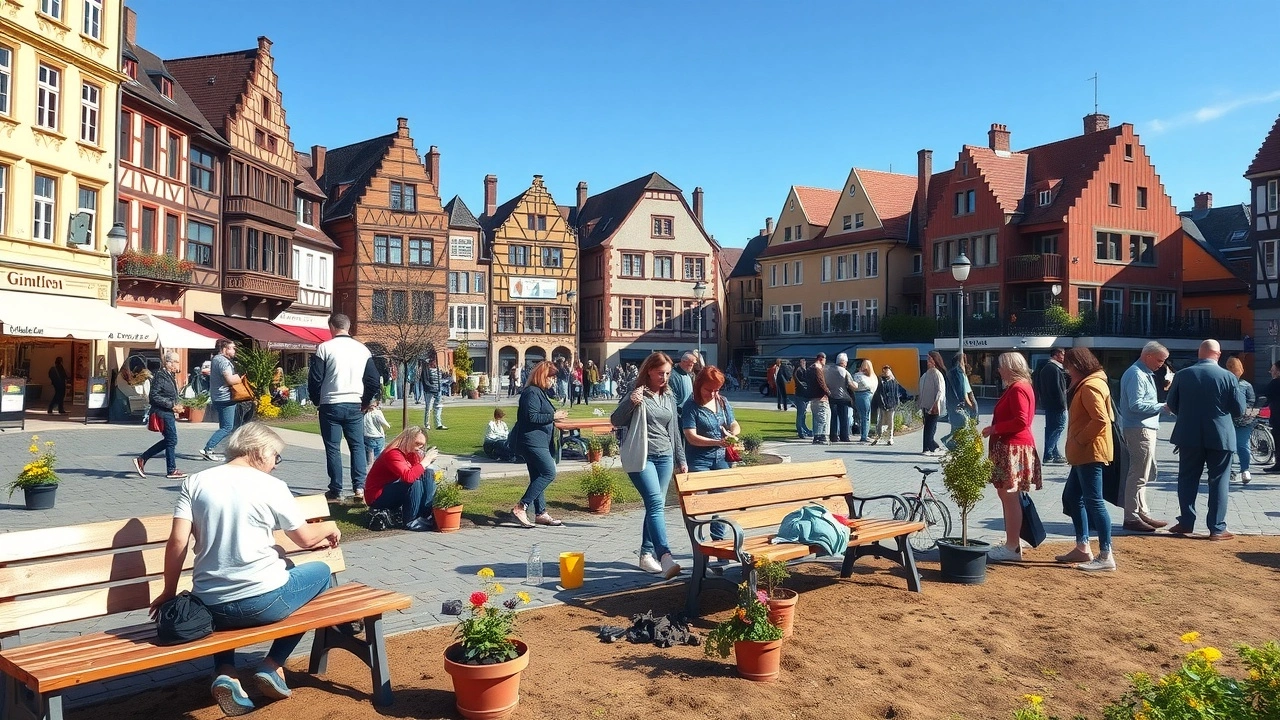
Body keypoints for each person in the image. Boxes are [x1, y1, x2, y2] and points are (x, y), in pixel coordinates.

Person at [149, 423, 340, 717]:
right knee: (322, 573)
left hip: (211, 606)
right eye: (276, 456)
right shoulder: (272, 486)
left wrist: (168, 592)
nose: (276, 464)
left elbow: (177, 542)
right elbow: (304, 539)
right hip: (263, 602)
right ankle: (273, 664)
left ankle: (226, 671)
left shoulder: (195, 482)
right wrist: (329, 526)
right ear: (259, 450)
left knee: (228, 592)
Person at [611, 351, 687, 578]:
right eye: (660, 373)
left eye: (668, 374)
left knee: (655, 506)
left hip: (665, 456)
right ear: (649, 371)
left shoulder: (669, 397)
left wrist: (681, 459)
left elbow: (674, 431)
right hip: (642, 457)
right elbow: (615, 420)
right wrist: (631, 404)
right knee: (655, 502)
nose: (664, 378)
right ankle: (665, 556)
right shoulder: (637, 394)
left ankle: (646, 554)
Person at [1166, 339, 1245, 540]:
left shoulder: (1183, 375)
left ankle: (1185, 522)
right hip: (1220, 435)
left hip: (1188, 434)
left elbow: (1172, 405)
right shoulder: (1228, 377)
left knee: (1186, 478)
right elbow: (1239, 410)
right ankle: (1217, 528)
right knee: (1219, 480)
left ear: (1199, 353)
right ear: (1218, 355)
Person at [308, 314, 381, 503]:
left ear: (332, 326)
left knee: (333, 448)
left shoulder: (324, 348)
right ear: (349, 327)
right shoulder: (362, 349)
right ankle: (359, 488)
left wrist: (317, 399)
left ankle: (336, 490)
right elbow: (374, 380)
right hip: (354, 403)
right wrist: (365, 401)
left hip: (331, 403)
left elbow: (315, 378)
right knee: (357, 446)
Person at [1058, 347, 1116, 571]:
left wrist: (1080, 440)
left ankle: (1105, 555)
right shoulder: (1090, 383)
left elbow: (1100, 420)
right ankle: (1083, 547)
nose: (1067, 371)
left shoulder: (1091, 385)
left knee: (1094, 501)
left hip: (1090, 452)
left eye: (1069, 366)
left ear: (1079, 365)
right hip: (1084, 453)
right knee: (1073, 496)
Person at [982, 353, 1042, 562]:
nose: (998, 370)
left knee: (1009, 496)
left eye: (1000, 366)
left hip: (1014, 447)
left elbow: (1021, 421)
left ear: (1009, 367)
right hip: (1012, 446)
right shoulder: (1019, 387)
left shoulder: (1018, 388)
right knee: (1007, 496)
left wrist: (995, 428)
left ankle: (1012, 546)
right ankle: (1012, 544)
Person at [1116, 341, 1172, 532]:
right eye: (1159, 360)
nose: (1161, 365)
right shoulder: (1136, 374)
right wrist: (1163, 407)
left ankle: (1142, 513)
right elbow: (1135, 405)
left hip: (1143, 428)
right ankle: (1131, 517)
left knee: (1144, 473)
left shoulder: (1142, 373)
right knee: (1138, 474)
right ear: (1147, 356)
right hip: (1139, 429)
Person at [511, 361, 568, 528]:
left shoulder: (540, 393)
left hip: (539, 441)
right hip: (532, 442)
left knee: (537, 476)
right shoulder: (531, 393)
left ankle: (540, 513)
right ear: (543, 376)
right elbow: (532, 417)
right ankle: (521, 507)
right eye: (551, 378)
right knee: (549, 473)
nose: (553, 381)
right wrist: (553, 416)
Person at [365, 426, 440, 531]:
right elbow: (408, 477)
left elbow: (418, 471)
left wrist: (426, 463)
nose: (419, 448)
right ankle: (411, 520)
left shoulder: (411, 453)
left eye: (422, 445)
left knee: (427, 472)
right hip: (377, 496)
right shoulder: (392, 453)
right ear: (408, 439)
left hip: (392, 488)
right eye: (417, 443)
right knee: (414, 481)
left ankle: (426, 514)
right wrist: (426, 461)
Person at [134, 351, 187, 480]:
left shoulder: (170, 375)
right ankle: (170, 469)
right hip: (162, 412)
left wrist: (177, 405)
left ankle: (142, 459)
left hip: (168, 411)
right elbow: (154, 396)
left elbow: (170, 394)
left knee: (170, 440)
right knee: (172, 440)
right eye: (176, 361)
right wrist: (171, 405)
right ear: (168, 363)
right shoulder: (160, 375)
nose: (178, 364)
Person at [681, 365, 741, 473]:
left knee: (726, 489)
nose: (713, 394)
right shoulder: (691, 406)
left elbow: (733, 423)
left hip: (721, 459)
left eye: (716, 390)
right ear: (699, 386)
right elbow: (691, 437)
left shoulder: (722, 401)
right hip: (698, 461)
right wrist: (717, 442)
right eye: (708, 390)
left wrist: (732, 434)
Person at [202, 339, 244, 462]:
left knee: (224, 426)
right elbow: (230, 380)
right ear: (225, 349)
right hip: (226, 398)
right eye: (232, 348)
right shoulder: (223, 361)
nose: (234, 350)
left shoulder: (215, 359)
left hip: (218, 397)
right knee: (227, 427)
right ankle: (208, 448)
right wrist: (241, 377)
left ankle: (220, 448)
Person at [1033, 347, 1069, 465]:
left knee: (1051, 429)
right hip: (1056, 405)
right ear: (1057, 354)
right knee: (1058, 427)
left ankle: (1054, 453)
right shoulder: (1052, 369)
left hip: (1050, 404)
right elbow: (1057, 389)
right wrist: (1063, 405)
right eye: (1063, 354)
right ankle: (1049, 453)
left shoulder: (1048, 368)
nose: (1064, 357)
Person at [1226, 356, 1258, 485]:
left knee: (1229, 447)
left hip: (1228, 419)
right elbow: (1251, 401)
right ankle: (1245, 470)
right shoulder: (1246, 385)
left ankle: (1230, 470)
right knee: (1243, 446)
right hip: (1245, 420)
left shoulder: (1225, 383)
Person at [942, 352, 976, 450]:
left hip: (955, 403)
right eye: (964, 359)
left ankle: (956, 449)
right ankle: (953, 446)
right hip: (961, 402)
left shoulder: (955, 371)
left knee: (958, 427)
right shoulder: (958, 372)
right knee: (962, 427)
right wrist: (969, 403)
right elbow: (962, 389)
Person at [919, 351, 947, 455]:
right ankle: (931, 447)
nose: (928, 361)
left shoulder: (936, 373)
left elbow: (940, 390)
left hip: (934, 406)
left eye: (930, 359)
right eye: (927, 359)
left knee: (929, 427)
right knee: (929, 427)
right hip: (927, 406)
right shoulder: (926, 374)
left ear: (935, 360)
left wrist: (937, 403)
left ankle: (929, 447)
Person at [871, 364, 906, 445]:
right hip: (882, 404)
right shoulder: (880, 380)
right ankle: (880, 436)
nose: (886, 371)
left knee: (890, 421)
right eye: (884, 369)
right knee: (881, 421)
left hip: (891, 404)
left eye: (887, 370)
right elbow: (879, 393)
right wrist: (882, 403)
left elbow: (896, 393)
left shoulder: (894, 381)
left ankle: (890, 438)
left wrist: (896, 403)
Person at [851, 359, 879, 443]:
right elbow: (868, 385)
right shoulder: (862, 376)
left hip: (860, 395)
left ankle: (864, 435)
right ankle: (864, 436)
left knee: (863, 416)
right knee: (865, 416)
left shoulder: (857, 375)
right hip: (865, 395)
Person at [808, 352, 831, 445]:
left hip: (813, 397)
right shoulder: (817, 369)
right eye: (825, 359)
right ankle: (821, 436)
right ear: (821, 358)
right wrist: (828, 393)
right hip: (821, 397)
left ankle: (818, 436)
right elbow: (821, 383)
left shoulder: (809, 369)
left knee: (818, 417)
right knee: (823, 417)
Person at [1261, 361, 1280, 473]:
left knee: (1278, 440)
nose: (1271, 373)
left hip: (1278, 418)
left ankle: (1279, 464)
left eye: (1272, 370)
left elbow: (1265, 395)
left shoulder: (1275, 383)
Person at [363, 397, 391, 465]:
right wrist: (387, 425)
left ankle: (370, 465)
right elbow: (382, 420)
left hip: (367, 436)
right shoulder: (377, 412)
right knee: (379, 455)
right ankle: (376, 466)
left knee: (370, 455)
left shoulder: (364, 414)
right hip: (378, 437)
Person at [423, 357, 447, 430]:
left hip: (438, 390)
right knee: (428, 408)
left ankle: (438, 424)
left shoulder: (439, 370)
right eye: (434, 362)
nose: (435, 363)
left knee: (438, 407)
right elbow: (426, 380)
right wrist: (430, 387)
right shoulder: (427, 370)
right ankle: (427, 424)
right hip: (429, 391)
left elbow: (441, 379)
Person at [791, 357, 812, 439]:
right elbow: (802, 382)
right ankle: (801, 431)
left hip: (802, 395)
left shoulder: (800, 371)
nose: (805, 363)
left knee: (802, 414)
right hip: (801, 395)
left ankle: (803, 430)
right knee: (801, 414)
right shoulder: (799, 371)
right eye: (803, 362)